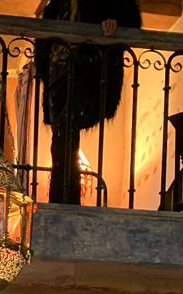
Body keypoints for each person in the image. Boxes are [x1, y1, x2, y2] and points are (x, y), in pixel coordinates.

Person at [35, 0, 141, 204]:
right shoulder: (56, 5)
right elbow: (44, 37)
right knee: (61, 137)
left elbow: (130, 20)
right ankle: (62, 201)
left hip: (88, 72)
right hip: (58, 72)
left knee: (66, 132)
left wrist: (115, 22)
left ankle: (65, 202)